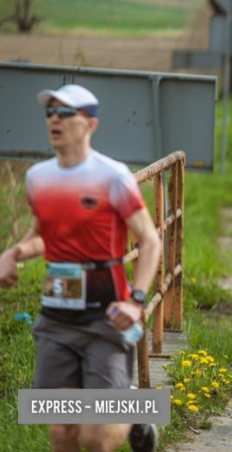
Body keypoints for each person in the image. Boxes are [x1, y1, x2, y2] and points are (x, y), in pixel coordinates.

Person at [0, 84, 161, 452]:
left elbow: (150, 241)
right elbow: (43, 237)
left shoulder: (113, 177)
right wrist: (13, 253)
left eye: (65, 112)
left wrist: (136, 301)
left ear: (90, 123)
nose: (54, 119)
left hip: (106, 315)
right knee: (61, 433)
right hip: (56, 316)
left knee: (95, 438)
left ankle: (136, 410)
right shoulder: (37, 178)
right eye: (50, 113)